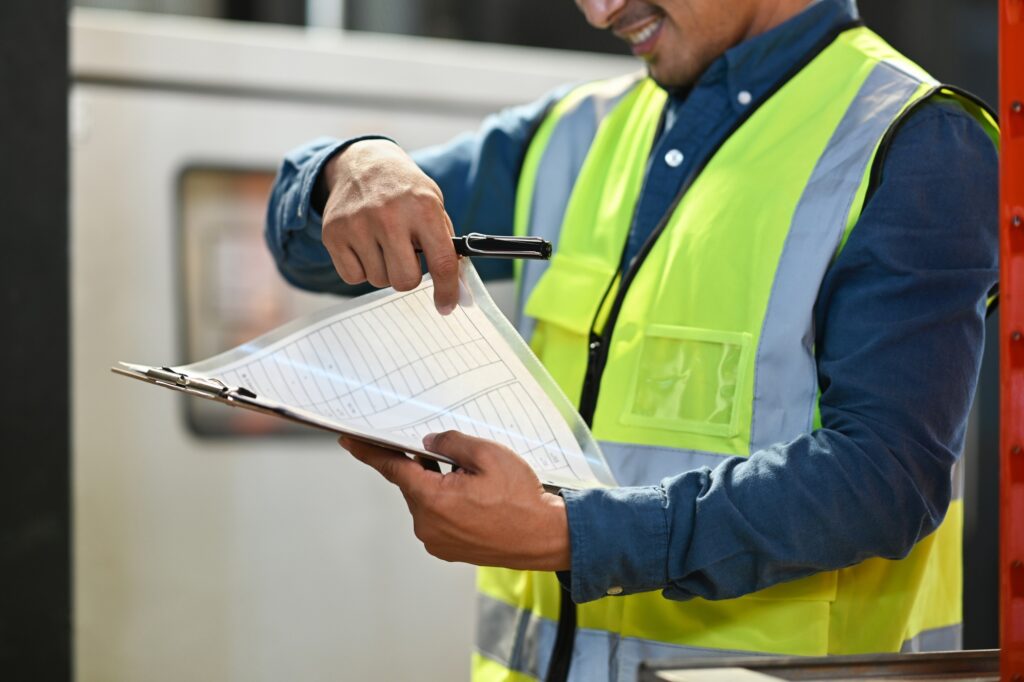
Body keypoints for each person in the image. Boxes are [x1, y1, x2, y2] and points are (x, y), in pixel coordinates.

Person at [264, 0, 999, 679]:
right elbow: (312, 252)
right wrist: (350, 167)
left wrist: (572, 535)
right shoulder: (572, 132)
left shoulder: (917, 140)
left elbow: (885, 478)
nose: (601, 9)